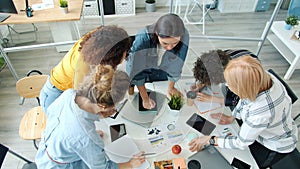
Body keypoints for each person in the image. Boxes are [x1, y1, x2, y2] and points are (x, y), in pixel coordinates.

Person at [188, 56, 298, 168]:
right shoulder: (261, 77)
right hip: (270, 128)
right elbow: (244, 99)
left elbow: (241, 143)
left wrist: (209, 140)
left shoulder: (259, 114)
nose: (228, 87)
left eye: (230, 85)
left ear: (243, 87)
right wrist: (232, 117)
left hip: (275, 146)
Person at [35, 65, 146, 168]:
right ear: (103, 106)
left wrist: (82, 140)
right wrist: (130, 164)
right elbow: (102, 168)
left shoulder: (68, 94)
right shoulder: (87, 138)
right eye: (117, 103)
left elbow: (61, 122)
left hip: (49, 148)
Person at [40, 25, 131, 113]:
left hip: (64, 90)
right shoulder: (83, 66)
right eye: (124, 53)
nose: (125, 55)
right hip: (56, 93)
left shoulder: (95, 42)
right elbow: (79, 99)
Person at [126, 13, 190, 110]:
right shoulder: (143, 39)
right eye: (165, 43)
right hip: (142, 71)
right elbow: (136, 71)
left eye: (175, 43)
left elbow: (177, 64)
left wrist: (171, 88)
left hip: (162, 72)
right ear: (156, 33)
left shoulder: (184, 36)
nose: (169, 48)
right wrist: (145, 98)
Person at [191, 49, 258, 108]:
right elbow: (207, 69)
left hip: (253, 79)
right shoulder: (221, 57)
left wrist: (212, 99)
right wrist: (200, 84)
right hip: (246, 57)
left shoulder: (239, 76)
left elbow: (241, 100)